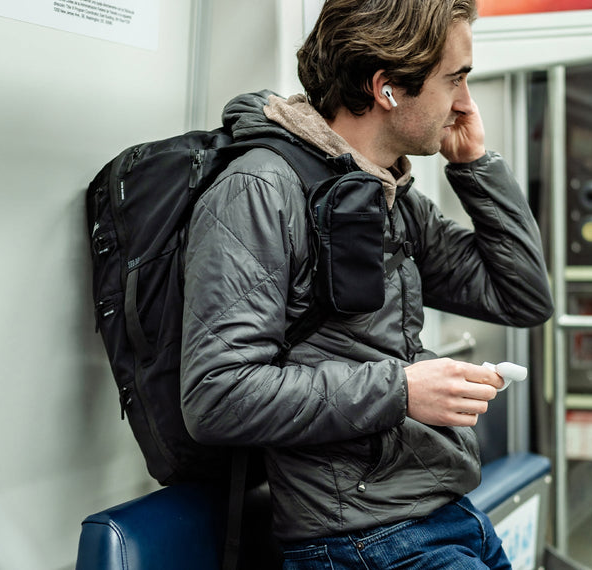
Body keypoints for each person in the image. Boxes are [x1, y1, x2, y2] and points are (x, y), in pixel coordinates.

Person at [180, 0, 553, 567]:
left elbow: (521, 296)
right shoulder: (260, 190)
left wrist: (474, 165)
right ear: (386, 87)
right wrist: (402, 390)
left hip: (448, 515)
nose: (463, 102)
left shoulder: (390, 197)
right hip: (361, 543)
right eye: (454, 79)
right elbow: (217, 394)